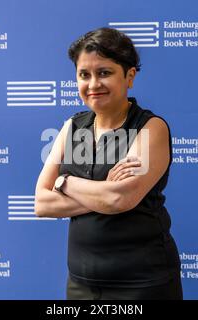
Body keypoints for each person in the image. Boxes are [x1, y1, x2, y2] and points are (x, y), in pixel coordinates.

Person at [35, 27, 182, 300]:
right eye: (84, 75)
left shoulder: (149, 128)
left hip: (142, 283)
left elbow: (119, 199)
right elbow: (42, 203)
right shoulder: (72, 127)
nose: (93, 85)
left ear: (129, 76)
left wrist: (65, 183)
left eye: (104, 73)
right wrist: (104, 192)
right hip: (81, 284)